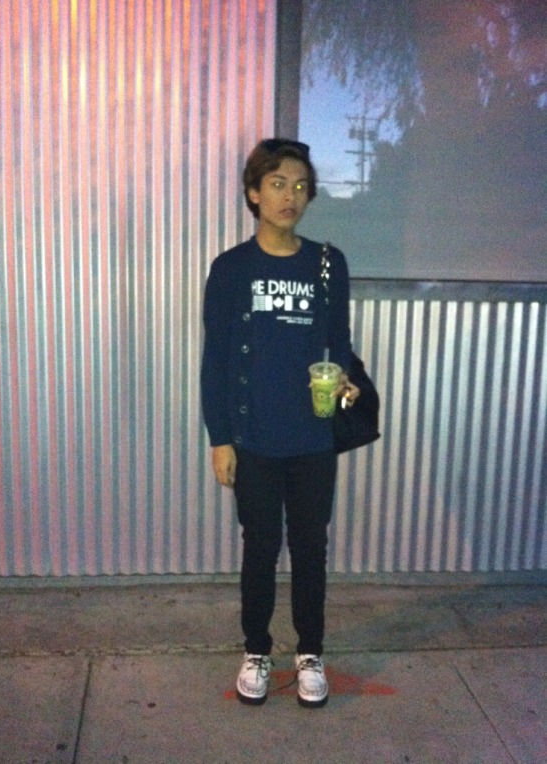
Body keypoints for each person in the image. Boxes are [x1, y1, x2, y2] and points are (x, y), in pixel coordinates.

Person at [201, 139, 359, 708]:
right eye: (276, 184)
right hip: (255, 440)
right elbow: (216, 360)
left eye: (299, 185)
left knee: (311, 548)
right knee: (261, 547)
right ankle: (257, 650)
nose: (289, 195)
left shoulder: (327, 264)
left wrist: (344, 379)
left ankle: (310, 652)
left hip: (313, 437)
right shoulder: (231, 269)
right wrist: (221, 439)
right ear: (253, 193)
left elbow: (338, 341)